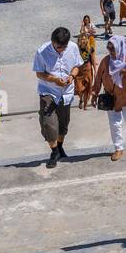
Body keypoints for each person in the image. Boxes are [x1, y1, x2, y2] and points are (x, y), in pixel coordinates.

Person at [33, 26, 82, 167]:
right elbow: (39, 73)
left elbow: (77, 66)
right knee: (48, 123)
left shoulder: (73, 47)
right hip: (48, 90)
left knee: (63, 123)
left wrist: (72, 76)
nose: (60, 49)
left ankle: (60, 146)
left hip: (66, 92)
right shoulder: (42, 52)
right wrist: (54, 80)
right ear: (52, 41)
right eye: (58, 46)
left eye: (63, 47)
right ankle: (54, 151)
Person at [91, 34, 126, 161]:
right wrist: (94, 93)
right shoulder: (106, 62)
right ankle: (118, 148)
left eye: (112, 48)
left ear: (120, 47)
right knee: (115, 124)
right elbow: (98, 78)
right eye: (108, 48)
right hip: (112, 98)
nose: (110, 51)